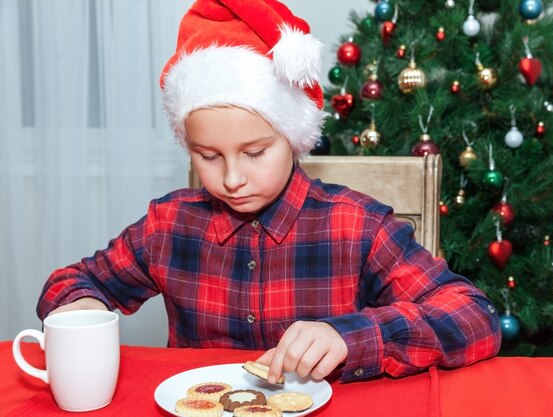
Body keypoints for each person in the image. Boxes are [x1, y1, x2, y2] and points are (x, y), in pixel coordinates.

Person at [36, 0, 501, 383]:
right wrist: (81, 310)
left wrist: (351, 337)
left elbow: (474, 318)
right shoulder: (169, 225)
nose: (231, 179)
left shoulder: (355, 225)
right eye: (209, 156)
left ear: (293, 138)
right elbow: (71, 282)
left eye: (254, 152)